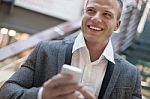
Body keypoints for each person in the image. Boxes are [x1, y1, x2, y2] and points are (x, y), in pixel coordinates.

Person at [0, 0, 142, 99]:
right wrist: (42, 95)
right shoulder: (45, 51)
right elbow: (7, 92)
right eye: (91, 10)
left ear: (117, 25)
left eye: (106, 14)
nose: (96, 18)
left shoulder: (130, 74)